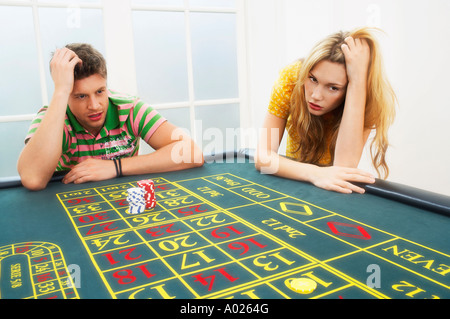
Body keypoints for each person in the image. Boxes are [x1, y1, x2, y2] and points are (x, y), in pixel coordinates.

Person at [18, 43, 203, 191]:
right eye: (81, 96)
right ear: (65, 96)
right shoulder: (52, 117)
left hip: (122, 201)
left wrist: (115, 167)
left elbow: (191, 153)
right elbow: (33, 179)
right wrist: (60, 90)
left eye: (100, 91)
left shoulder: (129, 109)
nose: (94, 105)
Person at [255, 27, 396, 194]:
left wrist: (357, 83)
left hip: (331, 191)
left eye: (333, 88)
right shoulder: (292, 78)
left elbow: (344, 167)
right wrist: (316, 173)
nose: (315, 96)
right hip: (294, 180)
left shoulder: (367, 98)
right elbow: (263, 157)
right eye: (313, 79)